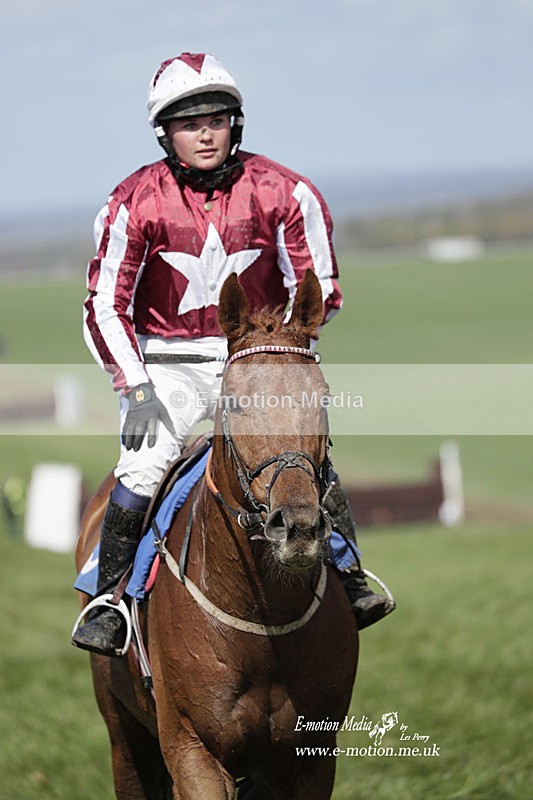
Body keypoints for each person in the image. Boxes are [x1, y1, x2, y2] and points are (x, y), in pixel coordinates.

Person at [72, 52, 393, 657]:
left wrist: (285, 357)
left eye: (216, 120)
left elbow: (318, 284)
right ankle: (110, 599)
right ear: (165, 133)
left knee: (300, 453)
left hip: (261, 351)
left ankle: (349, 578)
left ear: (235, 124)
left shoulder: (285, 190)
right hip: (166, 365)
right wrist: (135, 387)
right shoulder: (132, 202)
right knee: (143, 467)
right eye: (189, 123)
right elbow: (104, 307)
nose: (204, 133)